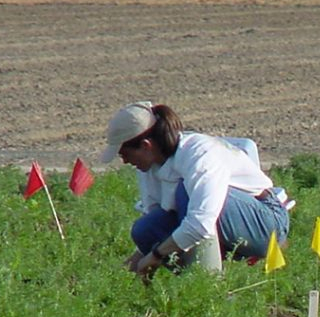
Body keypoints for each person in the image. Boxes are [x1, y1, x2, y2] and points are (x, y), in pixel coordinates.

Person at [100, 101, 290, 278]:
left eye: (125, 154)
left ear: (146, 145)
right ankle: (195, 282)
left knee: (186, 193)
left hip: (266, 221)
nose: (125, 161)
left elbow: (201, 222)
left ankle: (211, 285)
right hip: (212, 223)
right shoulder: (149, 167)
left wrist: (155, 255)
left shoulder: (200, 155)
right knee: (145, 229)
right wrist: (133, 266)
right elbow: (160, 219)